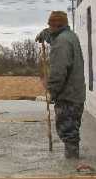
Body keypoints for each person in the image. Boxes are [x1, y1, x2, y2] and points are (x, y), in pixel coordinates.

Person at [36, 11, 86, 159]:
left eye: (49, 25)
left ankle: (72, 164)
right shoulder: (70, 36)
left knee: (68, 132)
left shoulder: (61, 43)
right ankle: (72, 159)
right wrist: (44, 34)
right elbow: (54, 37)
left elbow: (58, 72)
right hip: (75, 94)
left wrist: (52, 92)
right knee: (72, 129)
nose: (48, 27)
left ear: (55, 25)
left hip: (67, 96)